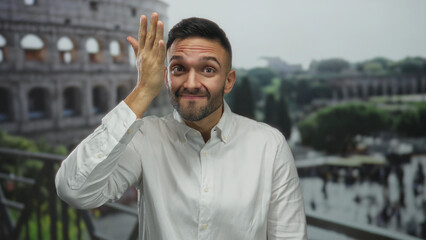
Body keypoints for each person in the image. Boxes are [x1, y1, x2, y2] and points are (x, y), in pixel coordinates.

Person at [55, 12, 307, 240]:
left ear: (228, 81)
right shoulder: (145, 137)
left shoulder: (268, 144)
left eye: (208, 69)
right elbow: (75, 190)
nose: (191, 82)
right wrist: (142, 91)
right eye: (179, 68)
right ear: (166, 77)